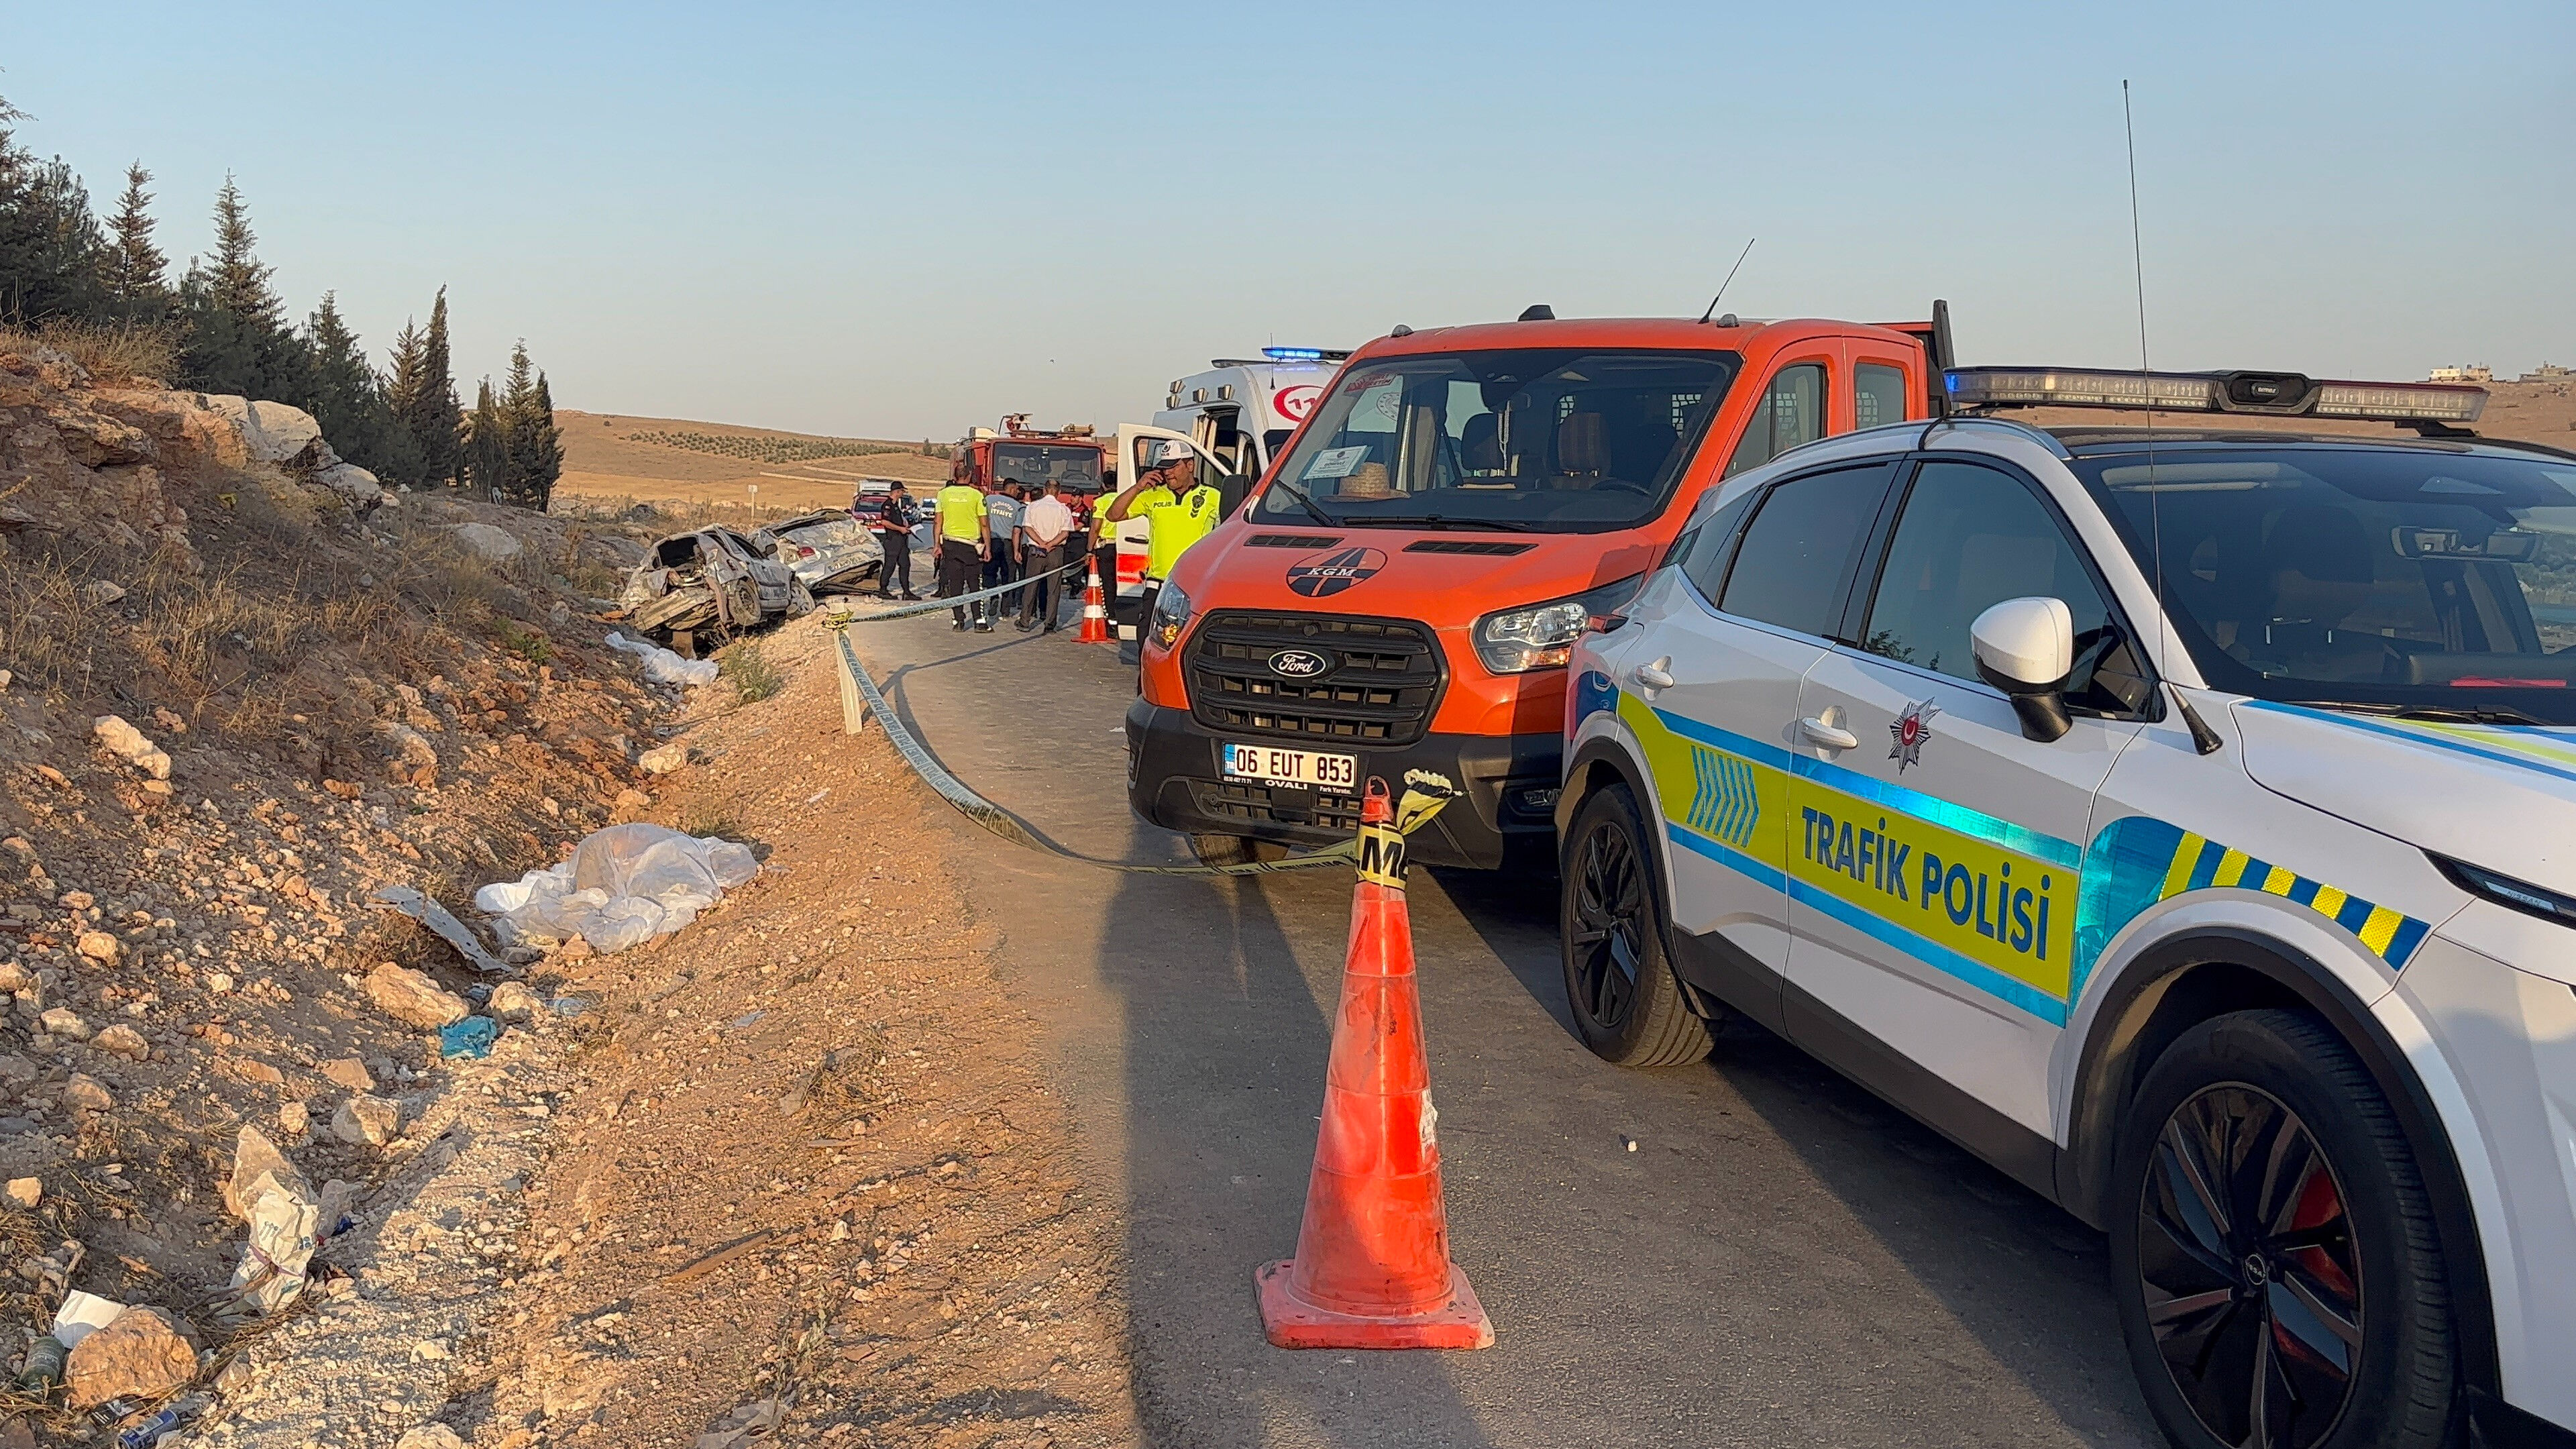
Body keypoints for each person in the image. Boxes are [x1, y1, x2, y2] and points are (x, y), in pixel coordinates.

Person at [1106, 441, 1222, 647]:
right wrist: (1138, 487)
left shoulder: (1212, 496)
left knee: (1187, 642)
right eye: (1164, 467)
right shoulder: (1153, 496)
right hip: (1157, 584)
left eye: (1173, 466)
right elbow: (1113, 515)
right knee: (1146, 641)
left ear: (1190, 466)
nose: (1168, 473)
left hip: (1192, 585)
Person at [1015, 480, 1079, 632]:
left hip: (1037, 551)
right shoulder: (1064, 510)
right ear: (1059, 491)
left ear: (1045, 490)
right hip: (1056, 551)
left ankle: (1025, 620)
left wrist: (1041, 543)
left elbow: (1027, 528)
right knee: (1054, 588)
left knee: (1031, 586)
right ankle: (1050, 624)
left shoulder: (1033, 507)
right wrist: (1051, 544)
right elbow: (1065, 532)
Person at [932, 465, 989, 631]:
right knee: (974, 584)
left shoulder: (943, 494)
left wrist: (937, 545)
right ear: (969, 476)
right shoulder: (977, 495)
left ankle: (958, 620)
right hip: (971, 545)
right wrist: (987, 548)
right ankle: (979, 621)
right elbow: (984, 524)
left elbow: (938, 522)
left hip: (950, 544)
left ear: (955, 476)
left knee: (955, 584)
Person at [869, 483, 919, 600]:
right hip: (893, 541)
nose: (903, 493)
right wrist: (900, 529)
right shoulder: (888, 506)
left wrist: (906, 528)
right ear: (897, 492)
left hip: (901, 541)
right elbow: (885, 522)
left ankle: (906, 592)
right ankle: (883, 590)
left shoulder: (896, 506)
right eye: (902, 491)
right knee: (890, 566)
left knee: (905, 565)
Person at [983, 480, 1025, 616]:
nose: (1018, 492)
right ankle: (1005, 609)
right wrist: (1017, 551)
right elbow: (1016, 531)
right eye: (1017, 489)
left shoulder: (989, 500)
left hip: (991, 541)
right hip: (1008, 543)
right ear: (1012, 489)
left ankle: (993, 596)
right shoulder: (1018, 506)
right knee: (1009, 576)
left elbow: (982, 521)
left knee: (990, 573)